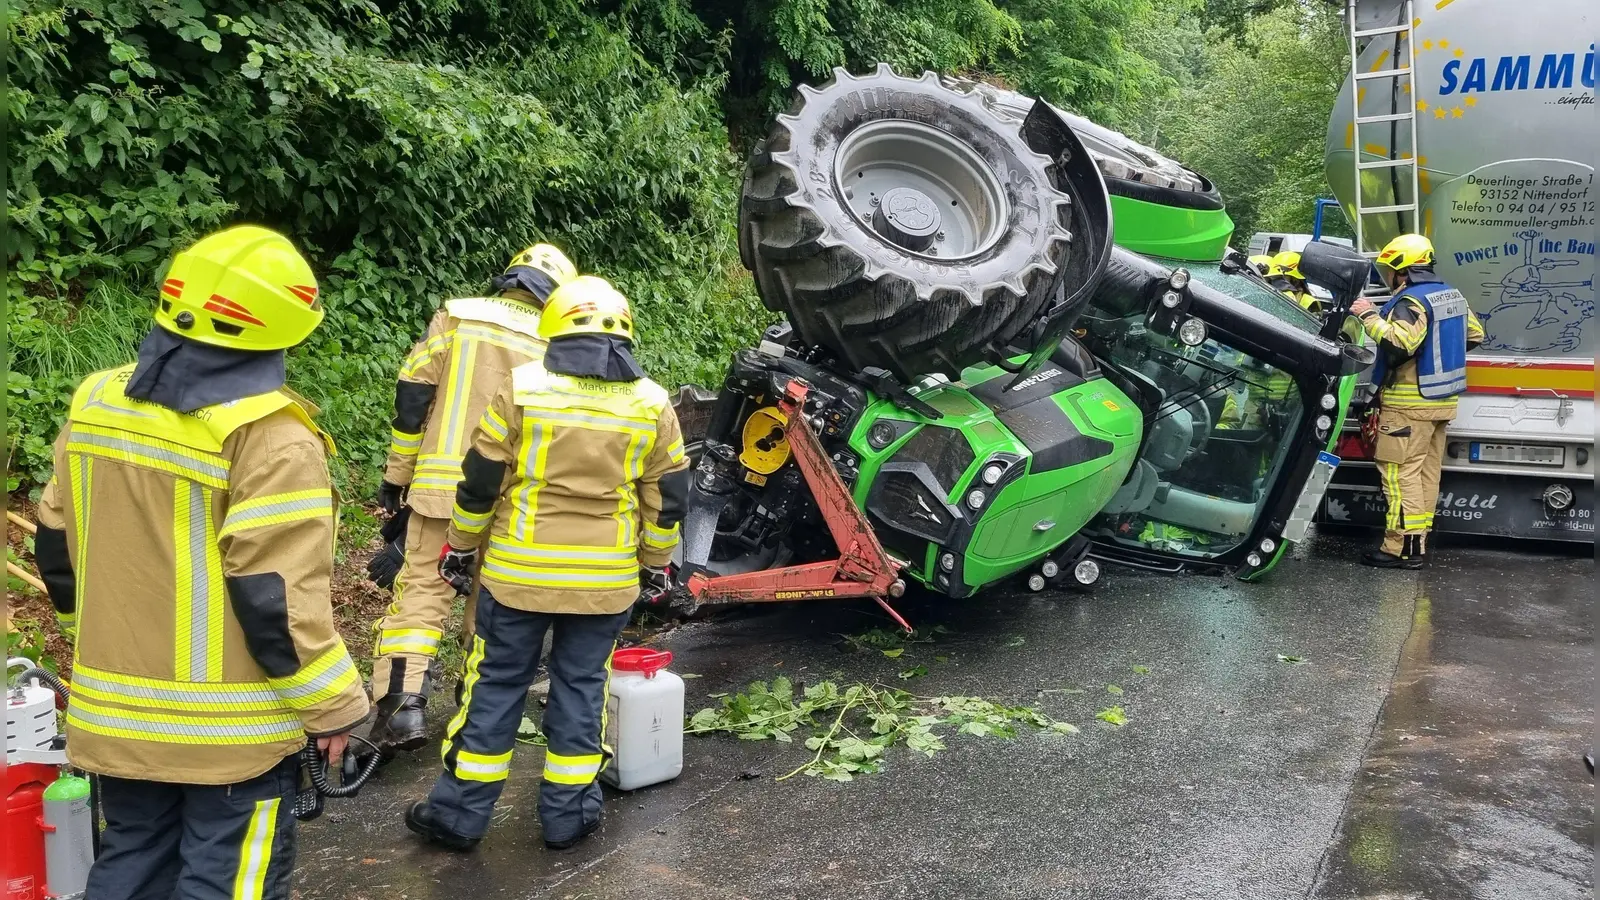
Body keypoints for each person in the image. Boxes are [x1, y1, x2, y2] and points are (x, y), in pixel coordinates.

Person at [32, 225, 370, 899]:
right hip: (230, 740)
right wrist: (337, 708)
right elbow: (274, 600)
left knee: (129, 866)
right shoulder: (269, 436)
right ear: (285, 328)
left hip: (117, 720)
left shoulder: (97, 400)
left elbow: (54, 548)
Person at [404, 276, 691, 851]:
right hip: (604, 584)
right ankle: (568, 816)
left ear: (554, 327)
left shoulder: (523, 388)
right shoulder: (652, 403)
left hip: (517, 578)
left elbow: (481, 481)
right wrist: (655, 563)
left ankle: (459, 816)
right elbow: (669, 498)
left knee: (495, 687)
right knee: (582, 689)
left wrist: (460, 545)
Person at [367, 243, 578, 756]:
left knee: (421, 593)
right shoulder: (561, 343)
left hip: (442, 489)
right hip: (511, 500)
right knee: (493, 604)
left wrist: (396, 476)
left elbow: (413, 396)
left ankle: (402, 707)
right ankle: (478, 707)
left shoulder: (457, 317)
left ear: (510, 277)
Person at [1350, 233, 1484, 568]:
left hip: (1409, 406)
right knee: (1426, 474)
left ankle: (1399, 548)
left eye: (1388, 269)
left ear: (1400, 269)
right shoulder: (1452, 297)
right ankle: (1417, 544)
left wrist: (1368, 315)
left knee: (1399, 475)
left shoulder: (1411, 302)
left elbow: (1399, 343)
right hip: (1443, 402)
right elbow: (1475, 335)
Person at [1269, 250, 1323, 315]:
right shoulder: (1269, 293)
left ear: (1295, 280)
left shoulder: (1310, 303)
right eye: (1274, 276)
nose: (1276, 280)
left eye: (1281, 277)